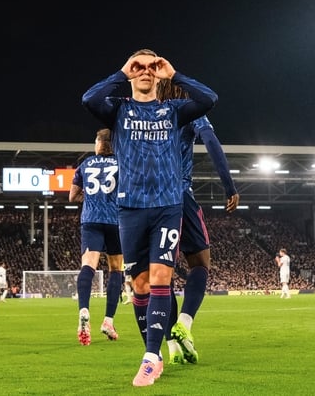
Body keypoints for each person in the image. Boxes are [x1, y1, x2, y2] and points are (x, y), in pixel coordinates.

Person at [82, 48, 218, 387]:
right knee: (140, 285)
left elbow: (209, 99)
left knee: (160, 279)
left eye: (151, 66)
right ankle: (154, 352)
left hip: (168, 206)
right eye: (139, 66)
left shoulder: (173, 111)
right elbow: (88, 99)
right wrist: (121, 73)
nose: (145, 70)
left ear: (158, 73)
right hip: (130, 208)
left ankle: (150, 357)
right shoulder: (118, 110)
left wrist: (174, 74)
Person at [156, 77, 239, 365]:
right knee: (200, 263)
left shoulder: (145, 115)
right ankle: (185, 323)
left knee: (161, 275)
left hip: (148, 201)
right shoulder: (189, 110)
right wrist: (229, 186)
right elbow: (211, 142)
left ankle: (173, 347)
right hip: (179, 194)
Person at [69, 128, 123, 345]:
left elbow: (72, 196)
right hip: (116, 221)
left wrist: (91, 198)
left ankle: (84, 310)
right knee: (116, 269)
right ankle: (108, 321)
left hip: (91, 219)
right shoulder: (122, 162)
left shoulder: (85, 164)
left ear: (99, 143)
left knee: (88, 266)